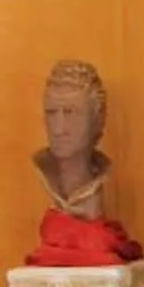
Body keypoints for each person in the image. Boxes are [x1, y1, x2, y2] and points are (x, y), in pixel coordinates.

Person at [32, 60, 113, 222]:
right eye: (51, 113)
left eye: (70, 113)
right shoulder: (42, 169)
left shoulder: (102, 180)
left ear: (96, 119)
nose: (58, 129)